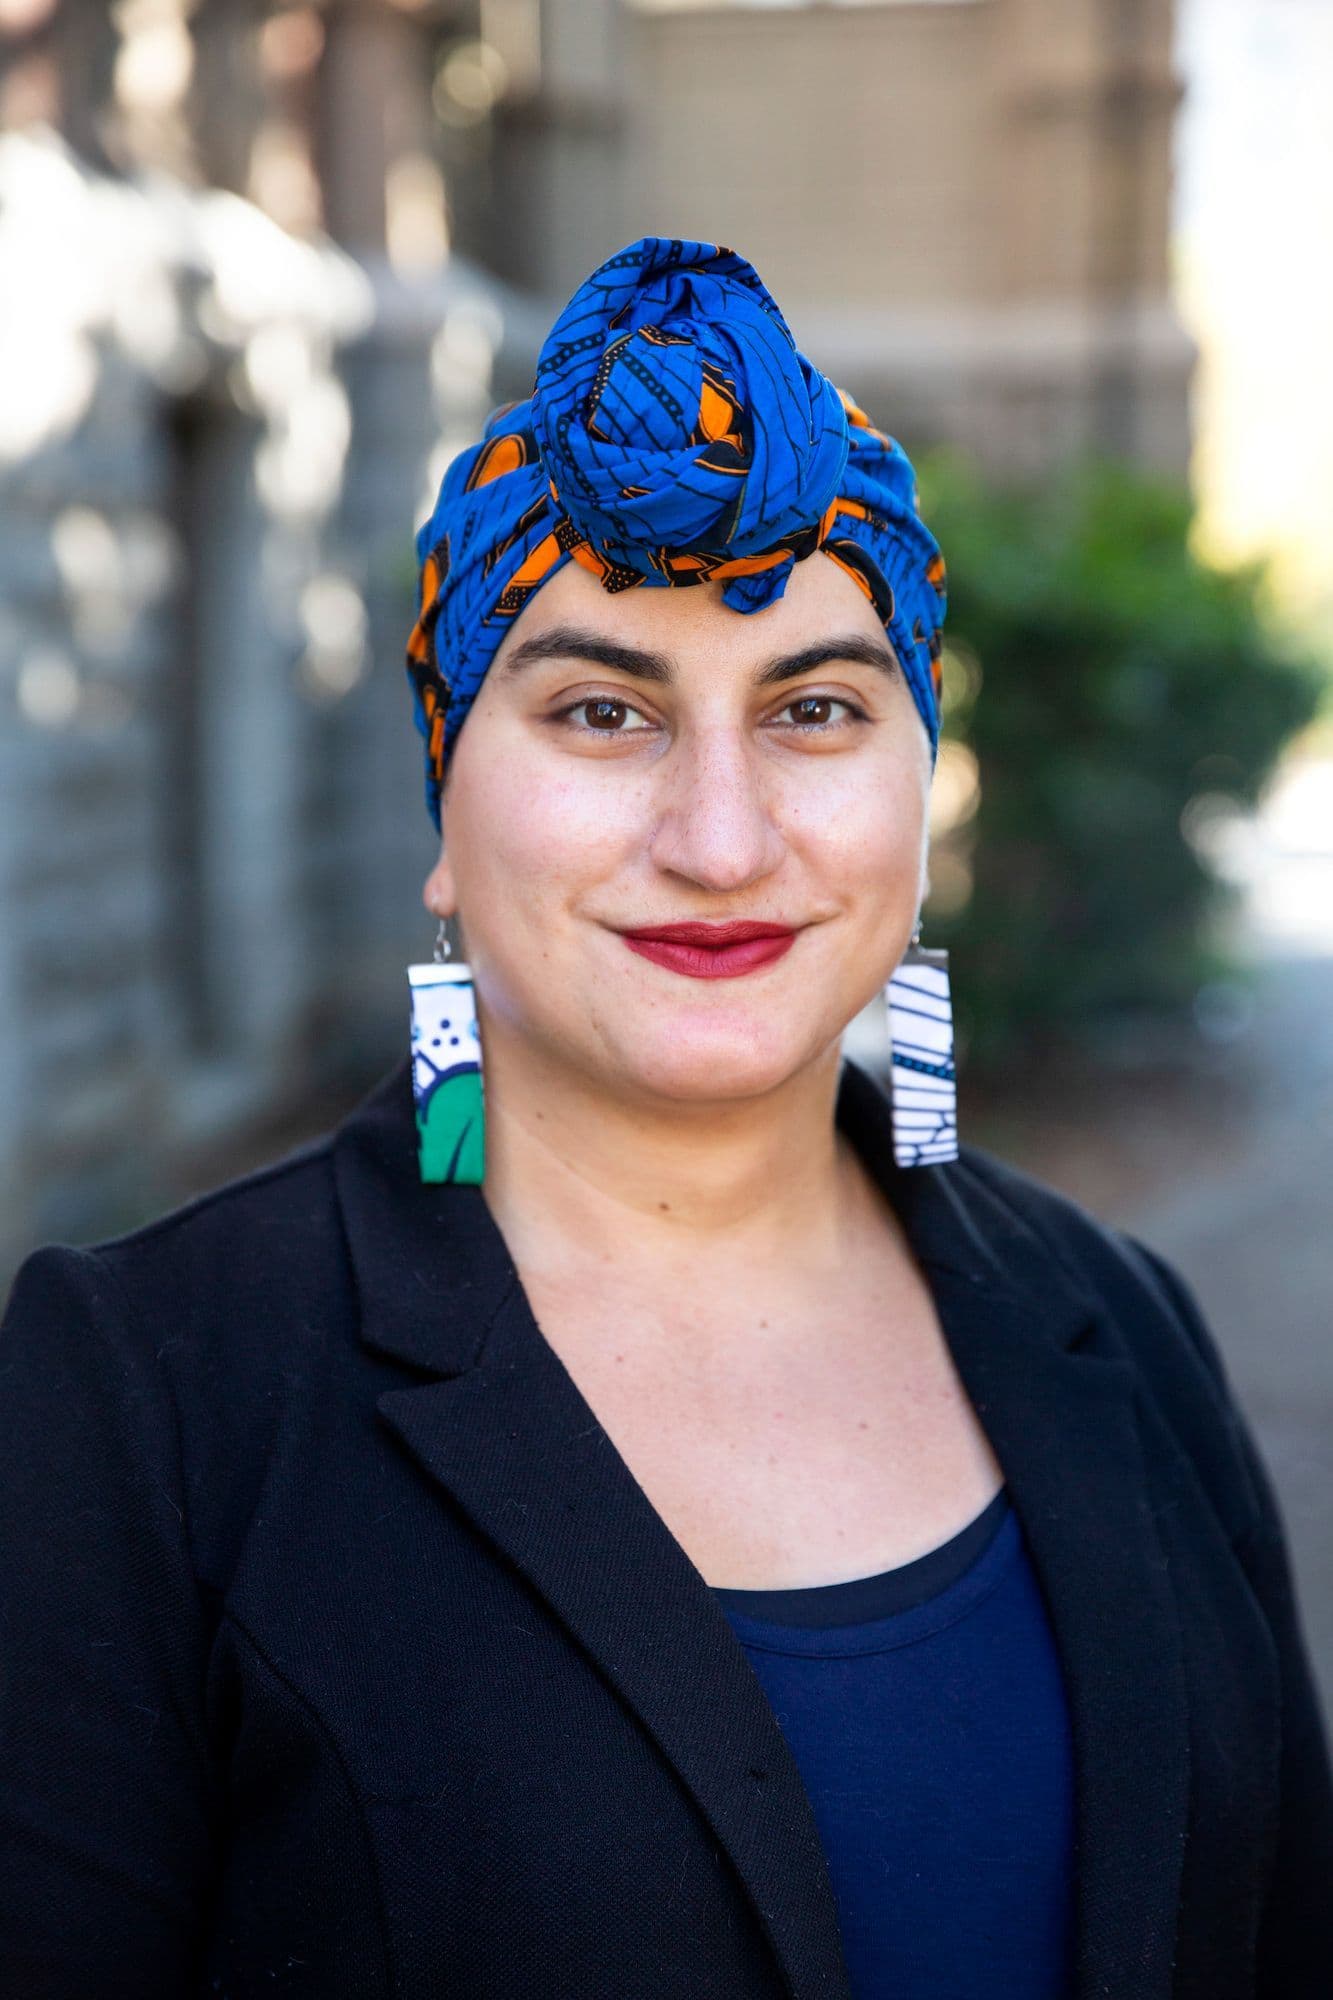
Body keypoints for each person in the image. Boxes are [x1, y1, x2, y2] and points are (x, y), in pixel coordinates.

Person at [1, 235, 1329, 2000]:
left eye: (818, 709)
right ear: (444, 817)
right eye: (602, 708)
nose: (719, 836)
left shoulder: (1121, 1323)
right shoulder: (144, 1401)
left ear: (918, 798)